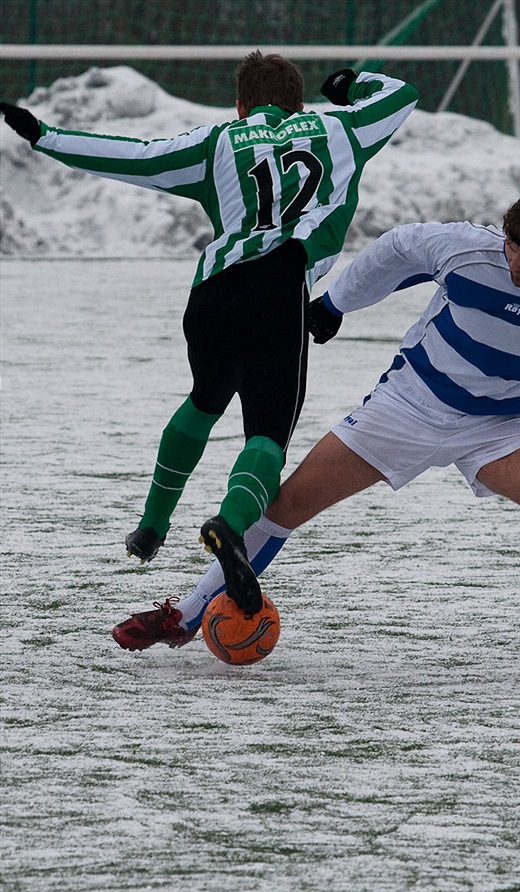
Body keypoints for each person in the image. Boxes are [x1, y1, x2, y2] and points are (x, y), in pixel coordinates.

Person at [113, 186, 520, 683]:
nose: (516, 261)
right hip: (407, 404)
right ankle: (185, 617)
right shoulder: (468, 252)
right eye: (513, 246)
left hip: (495, 427)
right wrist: (337, 303)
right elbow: (398, 247)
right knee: (286, 504)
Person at [0, 54, 418, 613]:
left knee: (204, 398)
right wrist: (347, 85)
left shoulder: (219, 141)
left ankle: (150, 526)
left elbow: (139, 157)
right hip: (280, 288)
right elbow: (401, 94)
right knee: (267, 433)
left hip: (212, 292)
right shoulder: (342, 128)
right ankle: (231, 524)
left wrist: (46, 136)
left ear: (241, 105)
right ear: (298, 102)